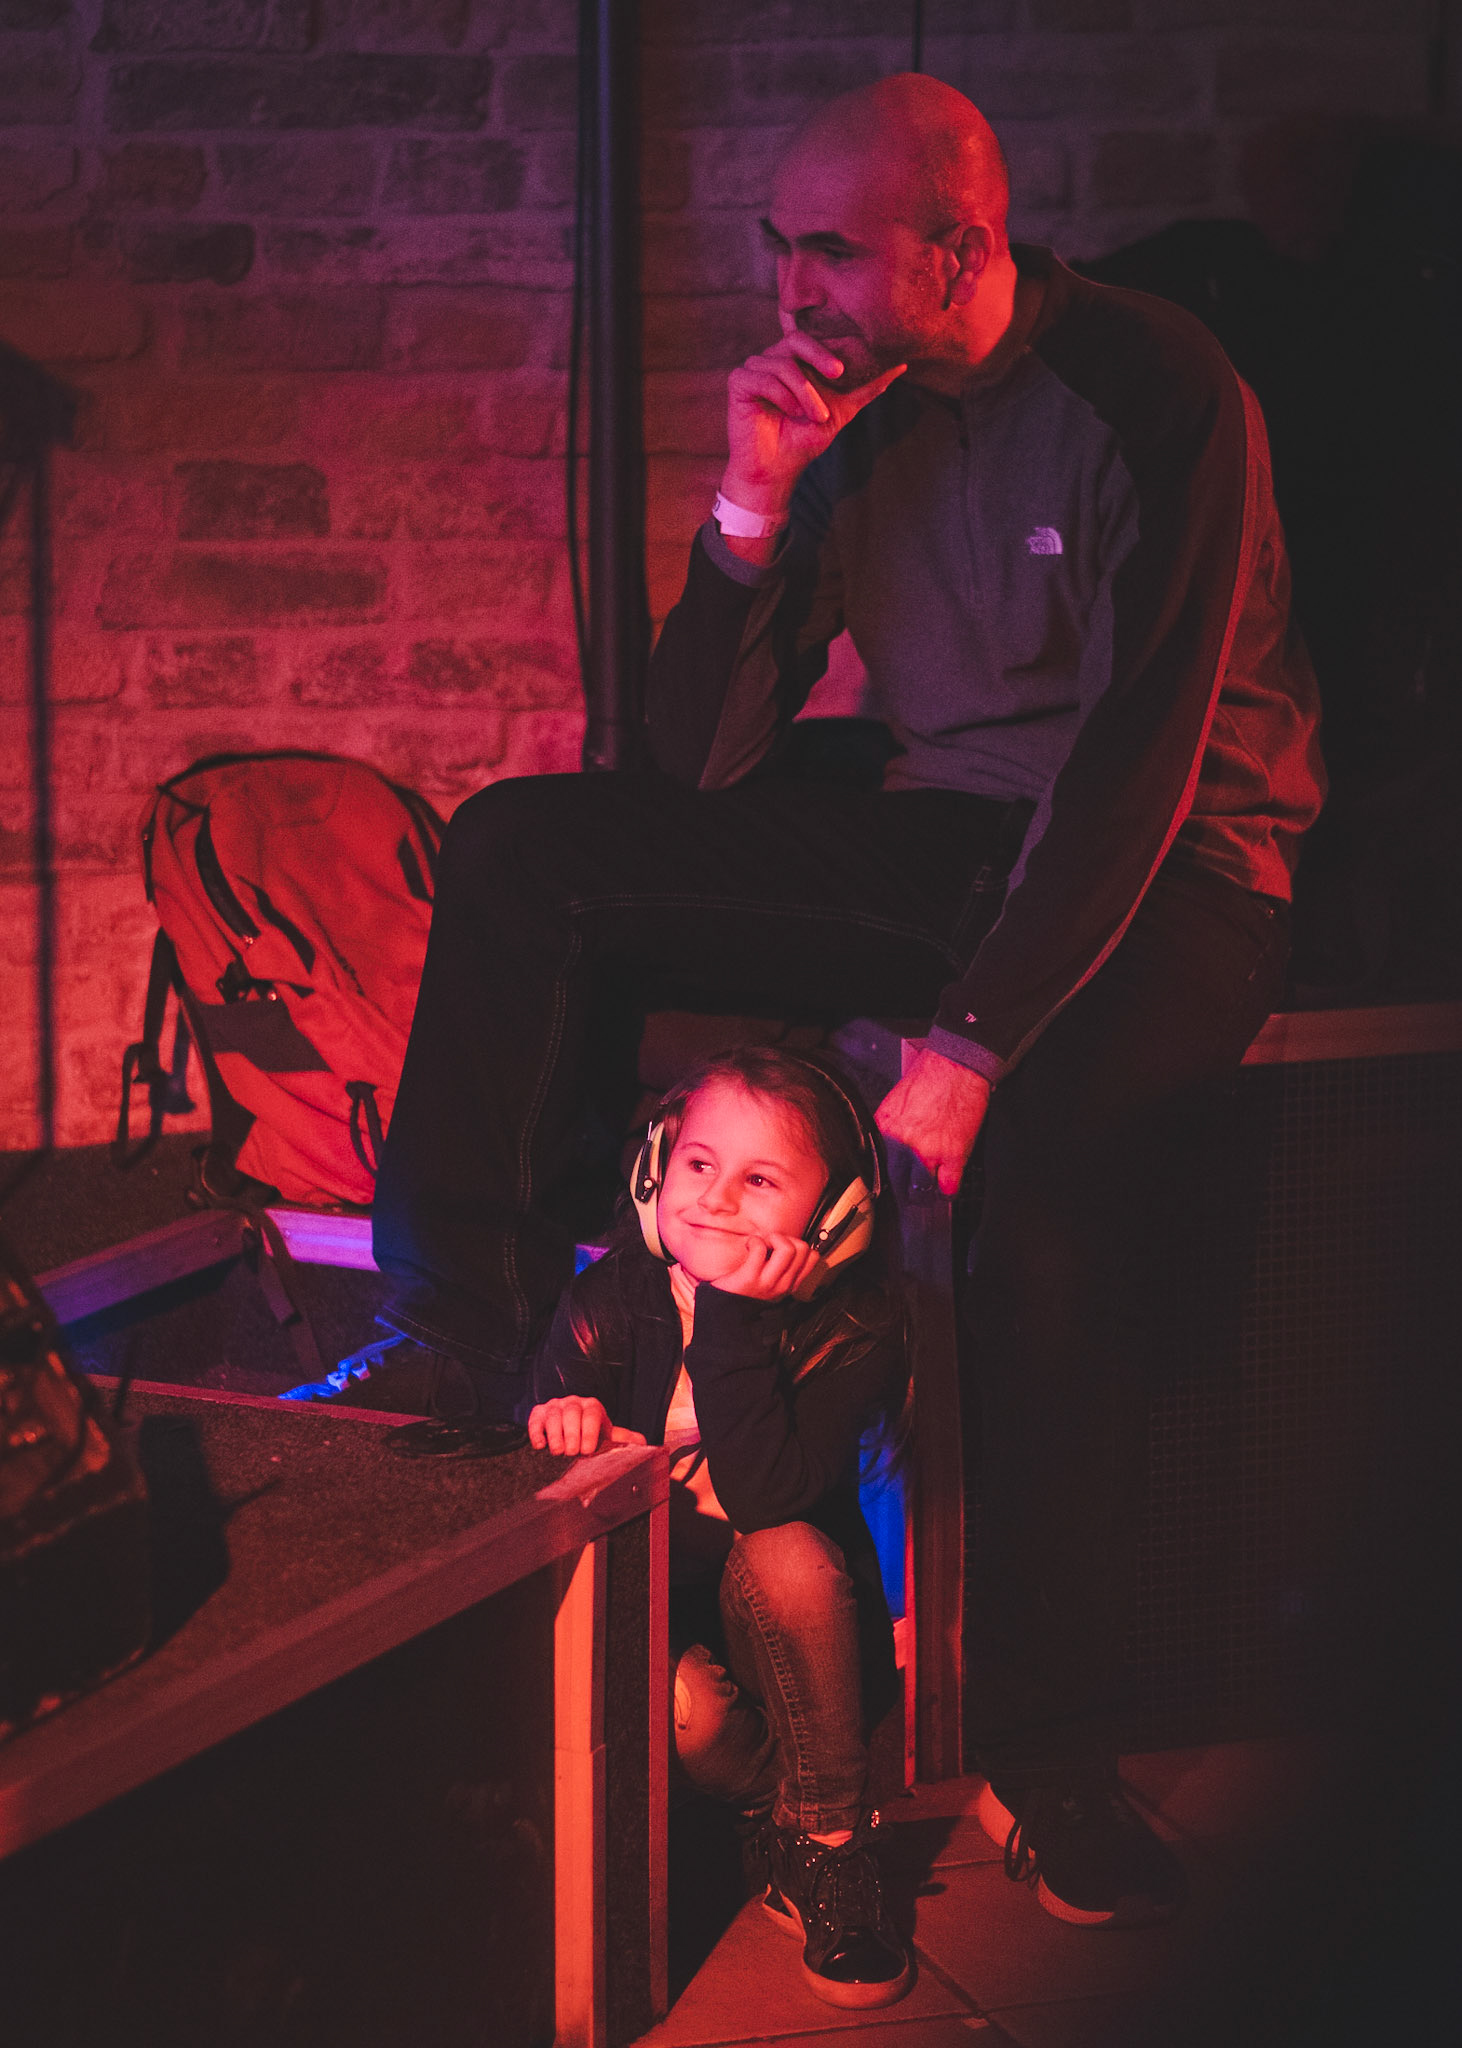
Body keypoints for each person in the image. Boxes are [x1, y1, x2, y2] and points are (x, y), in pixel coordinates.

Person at [299, 73, 1325, 1927]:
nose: (792, 288)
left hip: (1175, 870)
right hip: (948, 847)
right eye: (779, 247)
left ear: (958, 247)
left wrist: (977, 1041)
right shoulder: (853, 421)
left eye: (830, 251)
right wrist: (752, 504)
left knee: (1043, 1203)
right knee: (531, 850)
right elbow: (688, 774)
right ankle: (479, 1331)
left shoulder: (1154, 385)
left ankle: (1048, 1741)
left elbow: (1141, 757)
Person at [528, 1046, 912, 2008]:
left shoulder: (854, 1328)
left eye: (760, 1181)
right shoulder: (606, 1303)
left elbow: (765, 1497)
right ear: (655, 1170)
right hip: (663, 1622)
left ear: (834, 1222)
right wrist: (564, 1433)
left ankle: (830, 1846)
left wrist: (735, 1316)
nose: (716, 1199)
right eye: (699, 1164)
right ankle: (773, 1819)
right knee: (686, 1713)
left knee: (789, 1553)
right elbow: (528, 1493)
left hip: (792, 1627)